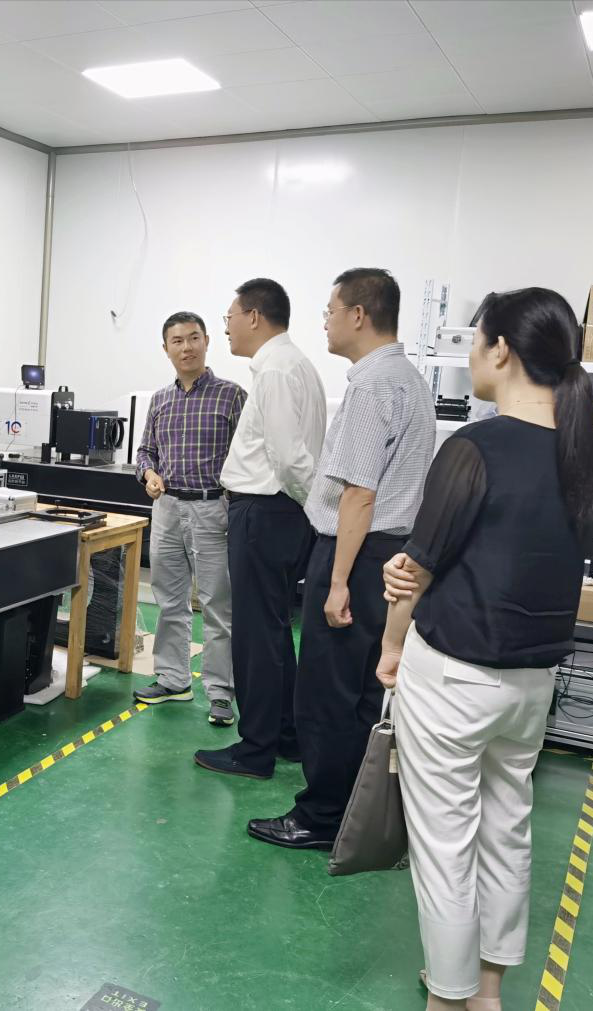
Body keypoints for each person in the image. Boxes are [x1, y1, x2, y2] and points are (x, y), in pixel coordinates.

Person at [376, 288, 593, 1011]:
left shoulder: (474, 447)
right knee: (506, 830)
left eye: (476, 341)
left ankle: (447, 997)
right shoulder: (581, 456)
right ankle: (488, 991)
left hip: (453, 674)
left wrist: (390, 645)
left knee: (445, 846)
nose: (472, 353)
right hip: (532, 682)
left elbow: (415, 569)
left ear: (500, 350)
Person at [247, 268, 435, 845]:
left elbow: (359, 494)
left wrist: (336, 582)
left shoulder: (372, 385)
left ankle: (321, 817)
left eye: (330, 310)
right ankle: (353, 808)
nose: (324, 321)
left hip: (357, 551)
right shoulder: (410, 379)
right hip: (392, 552)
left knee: (327, 693)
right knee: (364, 693)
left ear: (358, 314)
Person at [192, 278, 326, 777]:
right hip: (280, 513)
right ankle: (286, 737)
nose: (226, 327)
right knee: (272, 632)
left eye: (229, 317)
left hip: (266, 512)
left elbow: (289, 458)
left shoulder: (275, 370)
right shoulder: (297, 365)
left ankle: (255, 750)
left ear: (253, 316)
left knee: (255, 637)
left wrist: (314, 509)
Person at [133, 311, 247, 726]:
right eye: (177, 341)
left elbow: (249, 455)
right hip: (166, 509)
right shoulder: (160, 400)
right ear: (166, 349)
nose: (187, 347)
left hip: (212, 508)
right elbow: (145, 451)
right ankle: (173, 679)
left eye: (194, 338)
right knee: (169, 599)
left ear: (207, 341)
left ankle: (220, 693)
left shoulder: (232, 396)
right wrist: (148, 474)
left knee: (217, 604)